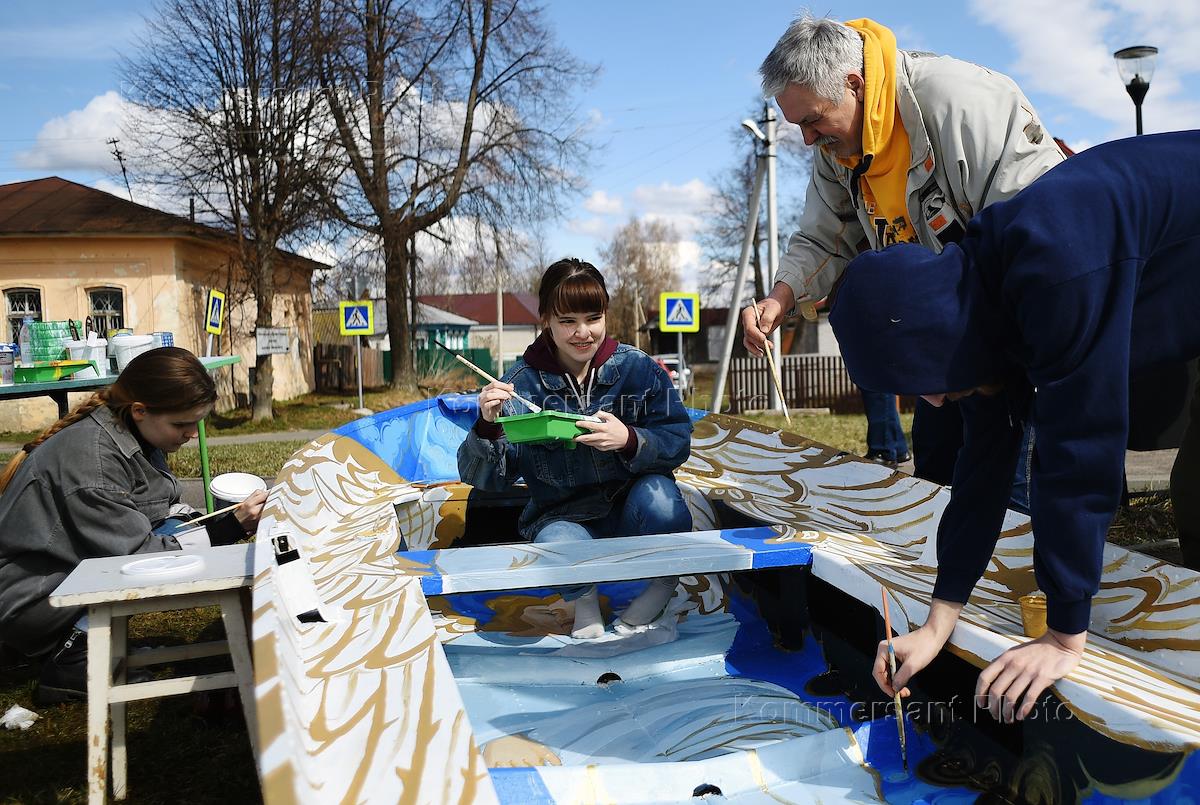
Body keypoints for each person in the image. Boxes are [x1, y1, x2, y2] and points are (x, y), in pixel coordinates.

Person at [824, 130, 1200, 723]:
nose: (933, 399)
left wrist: (1063, 637)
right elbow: (983, 470)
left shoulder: (1052, 267)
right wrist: (937, 621)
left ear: (931, 337)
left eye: (921, 380)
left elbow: (1080, 446)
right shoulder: (978, 312)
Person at [740, 13, 1063, 490]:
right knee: (934, 483)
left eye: (812, 121)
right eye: (798, 126)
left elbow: (1037, 229)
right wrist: (780, 298)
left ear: (854, 84)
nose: (808, 139)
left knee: (1011, 497)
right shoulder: (836, 148)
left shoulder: (964, 103)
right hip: (941, 350)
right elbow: (823, 237)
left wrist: (996, 344)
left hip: (1010, 340)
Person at [0, 347, 267, 702]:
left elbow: (160, 513)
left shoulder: (131, 432)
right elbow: (138, 557)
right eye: (181, 424)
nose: (190, 434)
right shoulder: (93, 462)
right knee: (154, 561)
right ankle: (72, 662)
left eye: (196, 423)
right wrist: (229, 527)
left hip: (53, 576)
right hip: (28, 600)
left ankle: (84, 643)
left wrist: (217, 520)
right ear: (140, 410)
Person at [458, 258, 694, 639]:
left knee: (663, 498)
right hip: (562, 519)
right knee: (557, 541)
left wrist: (630, 440)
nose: (582, 332)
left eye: (592, 318)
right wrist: (487, 427)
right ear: (546, 320)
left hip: (631, 510)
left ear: (605, 315)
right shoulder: (520, 386)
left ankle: (662, 586)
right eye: (567, 321)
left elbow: (679, 441)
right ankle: (583, 602)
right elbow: (487, 480)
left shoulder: (639, 369)